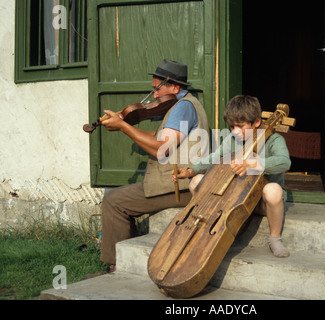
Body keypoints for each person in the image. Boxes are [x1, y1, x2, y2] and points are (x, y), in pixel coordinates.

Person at [99, 59, 210, 270]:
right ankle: (123, 261)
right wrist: (126, 125)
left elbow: (161, 147)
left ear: (175, 87)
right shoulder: (186, 103)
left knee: (114, 201)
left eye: (157, 88)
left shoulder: (182, 107)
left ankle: (117, 267)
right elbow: (160, 136)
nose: (155, 95)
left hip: (181, 185)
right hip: (182, 181)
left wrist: (123, 126)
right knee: (117, 199)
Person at [173, 95, 291, 257]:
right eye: (232, 127)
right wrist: (190, 170)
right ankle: (206, 225)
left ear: (257, 122)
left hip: (262, 203)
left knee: (273, 190)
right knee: (196, 182)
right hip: (238, 196)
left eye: (240, 126)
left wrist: (253, 164)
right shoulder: (233, 139)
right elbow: (215, 158)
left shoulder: (274, 139)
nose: (235, 131)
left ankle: (274, 238)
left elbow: (285, 162)